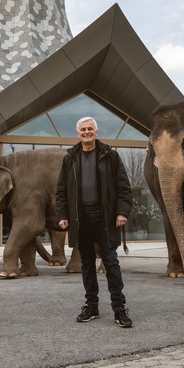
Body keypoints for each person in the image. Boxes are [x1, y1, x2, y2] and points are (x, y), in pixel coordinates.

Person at [56, 116, 133, 328]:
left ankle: (119, 308)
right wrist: (62, 215)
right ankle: (92, 306)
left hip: (105, 218)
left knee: (111, 262)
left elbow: (124, 187)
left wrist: (122, 212)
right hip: (81, 220)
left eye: (90, 129)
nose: (87, 132)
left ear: (96, 132)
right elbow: (61, 191)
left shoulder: (110, 155)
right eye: (83, 129)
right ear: (78, 133)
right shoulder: (70, 158)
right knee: (87, 263)